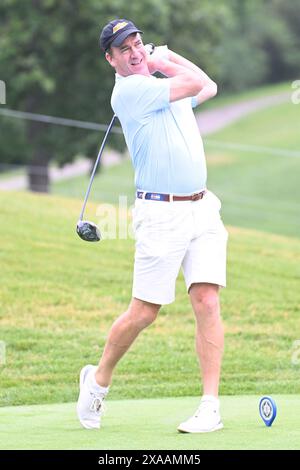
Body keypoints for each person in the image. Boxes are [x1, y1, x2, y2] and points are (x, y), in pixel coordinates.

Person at [76, 18, 228, 433]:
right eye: (125, 49)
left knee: (207, 300)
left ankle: (209, 406)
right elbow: (196, 83)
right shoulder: (133, 92)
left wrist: (164, 60)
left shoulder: (161, 84)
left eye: (138, 43)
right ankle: (99, 379)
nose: (135, 51)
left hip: (202, 209)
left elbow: (209, 85)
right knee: (145, 312)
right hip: (161, 215)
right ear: (111, 60)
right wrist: (165, 60)